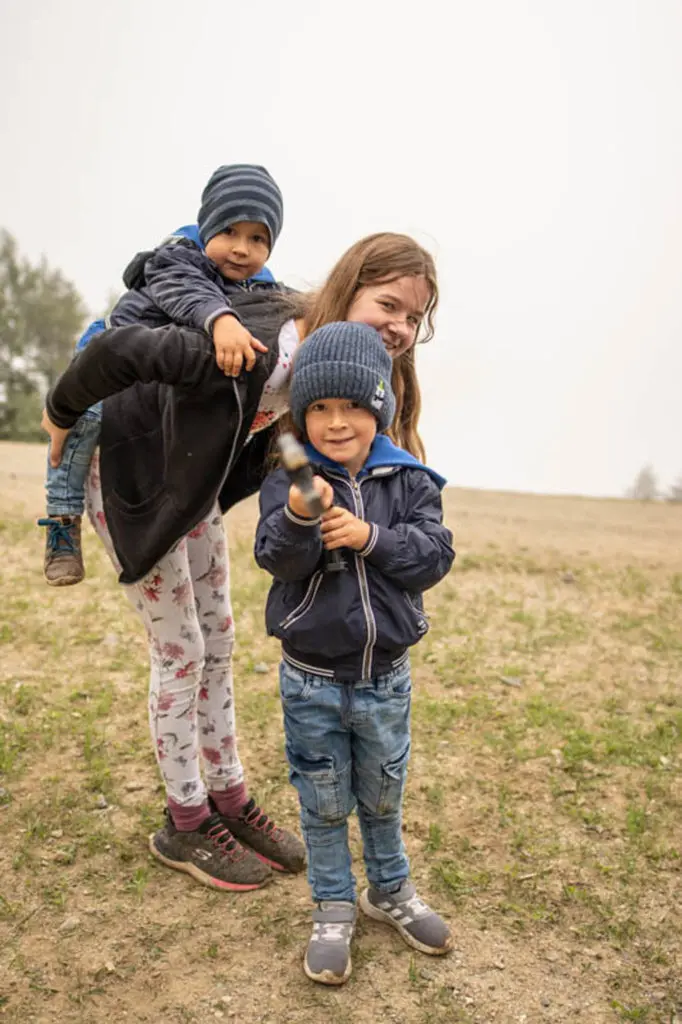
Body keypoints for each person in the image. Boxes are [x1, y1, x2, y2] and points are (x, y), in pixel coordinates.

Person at [41, 233, 438, 894]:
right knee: (181, 650)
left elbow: (273, 444)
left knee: (220, 638)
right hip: (132, 477)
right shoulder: (255, 347)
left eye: (414, 318)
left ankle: (229, 800)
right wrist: (61, 412)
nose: (401, 326)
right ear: (351, 284)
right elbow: (113, 353)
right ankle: (185, 821)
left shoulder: (329, 372)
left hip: (188, 492)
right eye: (389, 304)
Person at [254, 321, 455, 984]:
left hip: (385, 681)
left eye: (352, 407)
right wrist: (301, 521)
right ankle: (334, 907)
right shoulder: (291, 482)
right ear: (302, 415)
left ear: (379, 409)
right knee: (322, 797)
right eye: (319, 408)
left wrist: (369, 536)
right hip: (309, 682)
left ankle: (389, 891)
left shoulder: (410, 480)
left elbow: (432, 559)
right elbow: (273, 558)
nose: (336, 422)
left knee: (382, 790)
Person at [39, 163, 284, 587]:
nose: (242, 248)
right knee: (84, 420)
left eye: (257, 238)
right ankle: (62, 519)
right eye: (229, 232)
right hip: (114, 353)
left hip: (160, 381)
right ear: (207, 227)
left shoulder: (262, 285)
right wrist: (220, 319)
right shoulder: (179, 255)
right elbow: (186, 291)